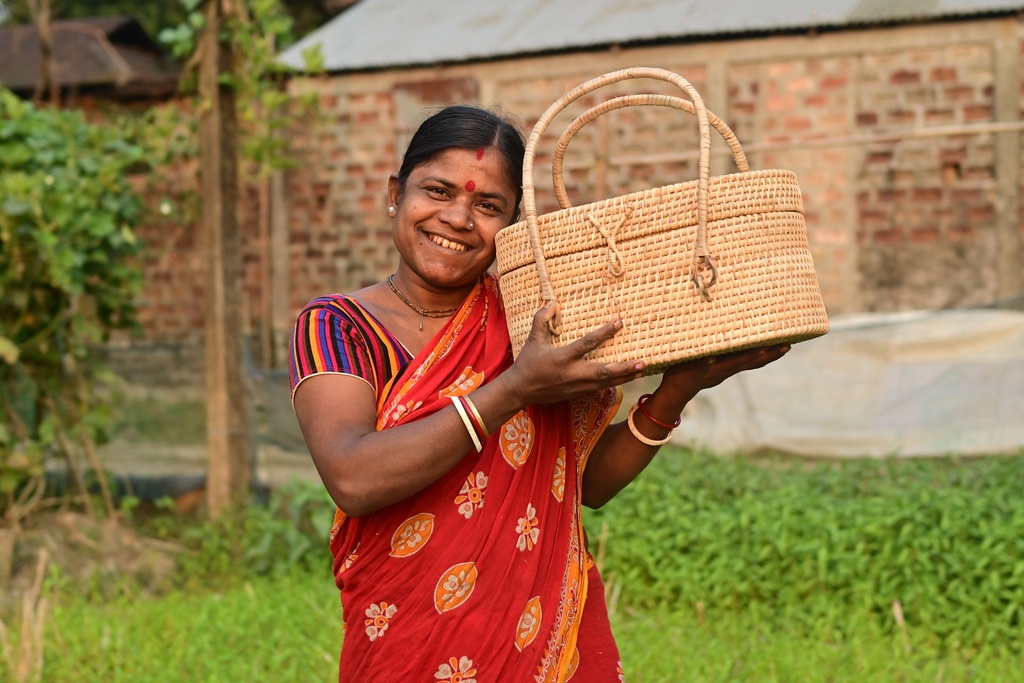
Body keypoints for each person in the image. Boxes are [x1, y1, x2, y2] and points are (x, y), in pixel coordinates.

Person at [290, 104, 788, 682]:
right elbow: (353, 478)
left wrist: (674, 392)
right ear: (395, 194)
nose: (457, 217)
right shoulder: (337, 326)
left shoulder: (535, 321)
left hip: (538, 636)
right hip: (408, 639)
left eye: (487, 206)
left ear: (513, 227)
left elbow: (585, 484)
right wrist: (516, 387)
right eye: (437, 191)